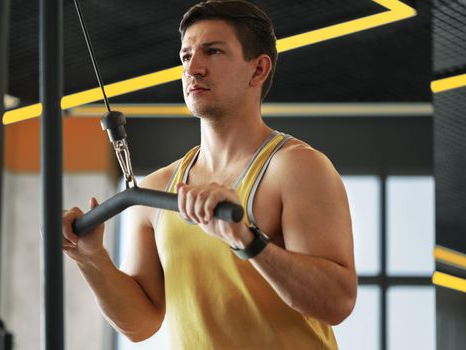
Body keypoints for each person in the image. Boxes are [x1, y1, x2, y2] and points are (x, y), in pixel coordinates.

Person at [62, 1, 357, 348]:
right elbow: (140, 324)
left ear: (258, 69)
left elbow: (337, 302)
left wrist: (246, 240)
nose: (194, 68)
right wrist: (91, 258)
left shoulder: (295, 168)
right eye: (186, 56)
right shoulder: (157, 188)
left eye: (212, 51)